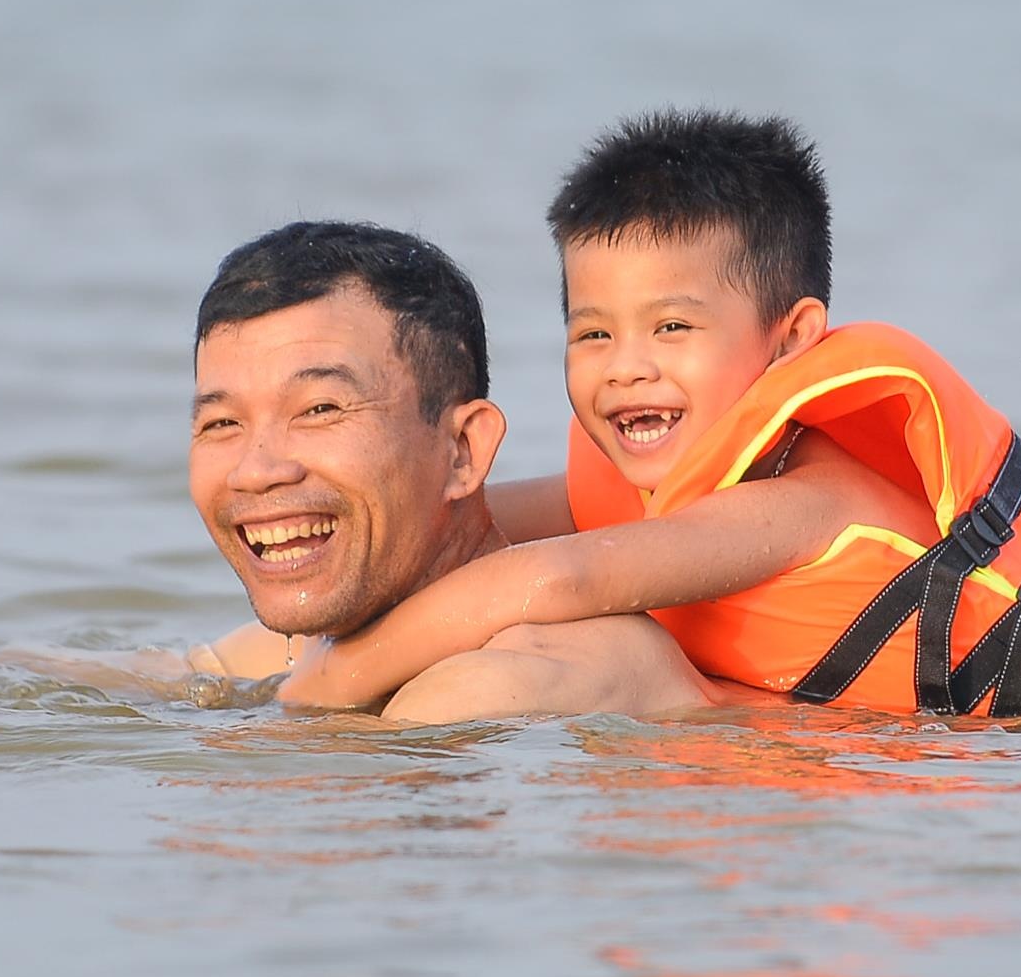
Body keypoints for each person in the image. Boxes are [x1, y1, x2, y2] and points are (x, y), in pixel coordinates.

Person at [283, 109, 1021, 716]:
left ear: (793, 341)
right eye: (592, 334)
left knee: (560, 651)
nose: (625, 370)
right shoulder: (658, 480)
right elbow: (468, 538)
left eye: (672, 327)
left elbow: (547, 575)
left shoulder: (804, 504)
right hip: (901, 732)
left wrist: (314, 700)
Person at [84, 219, 726, 722]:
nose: (256, 471)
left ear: (462, 451)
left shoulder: (506, 680)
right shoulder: (332, 640)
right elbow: (72, 674)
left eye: (319, 409)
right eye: (222, 423)